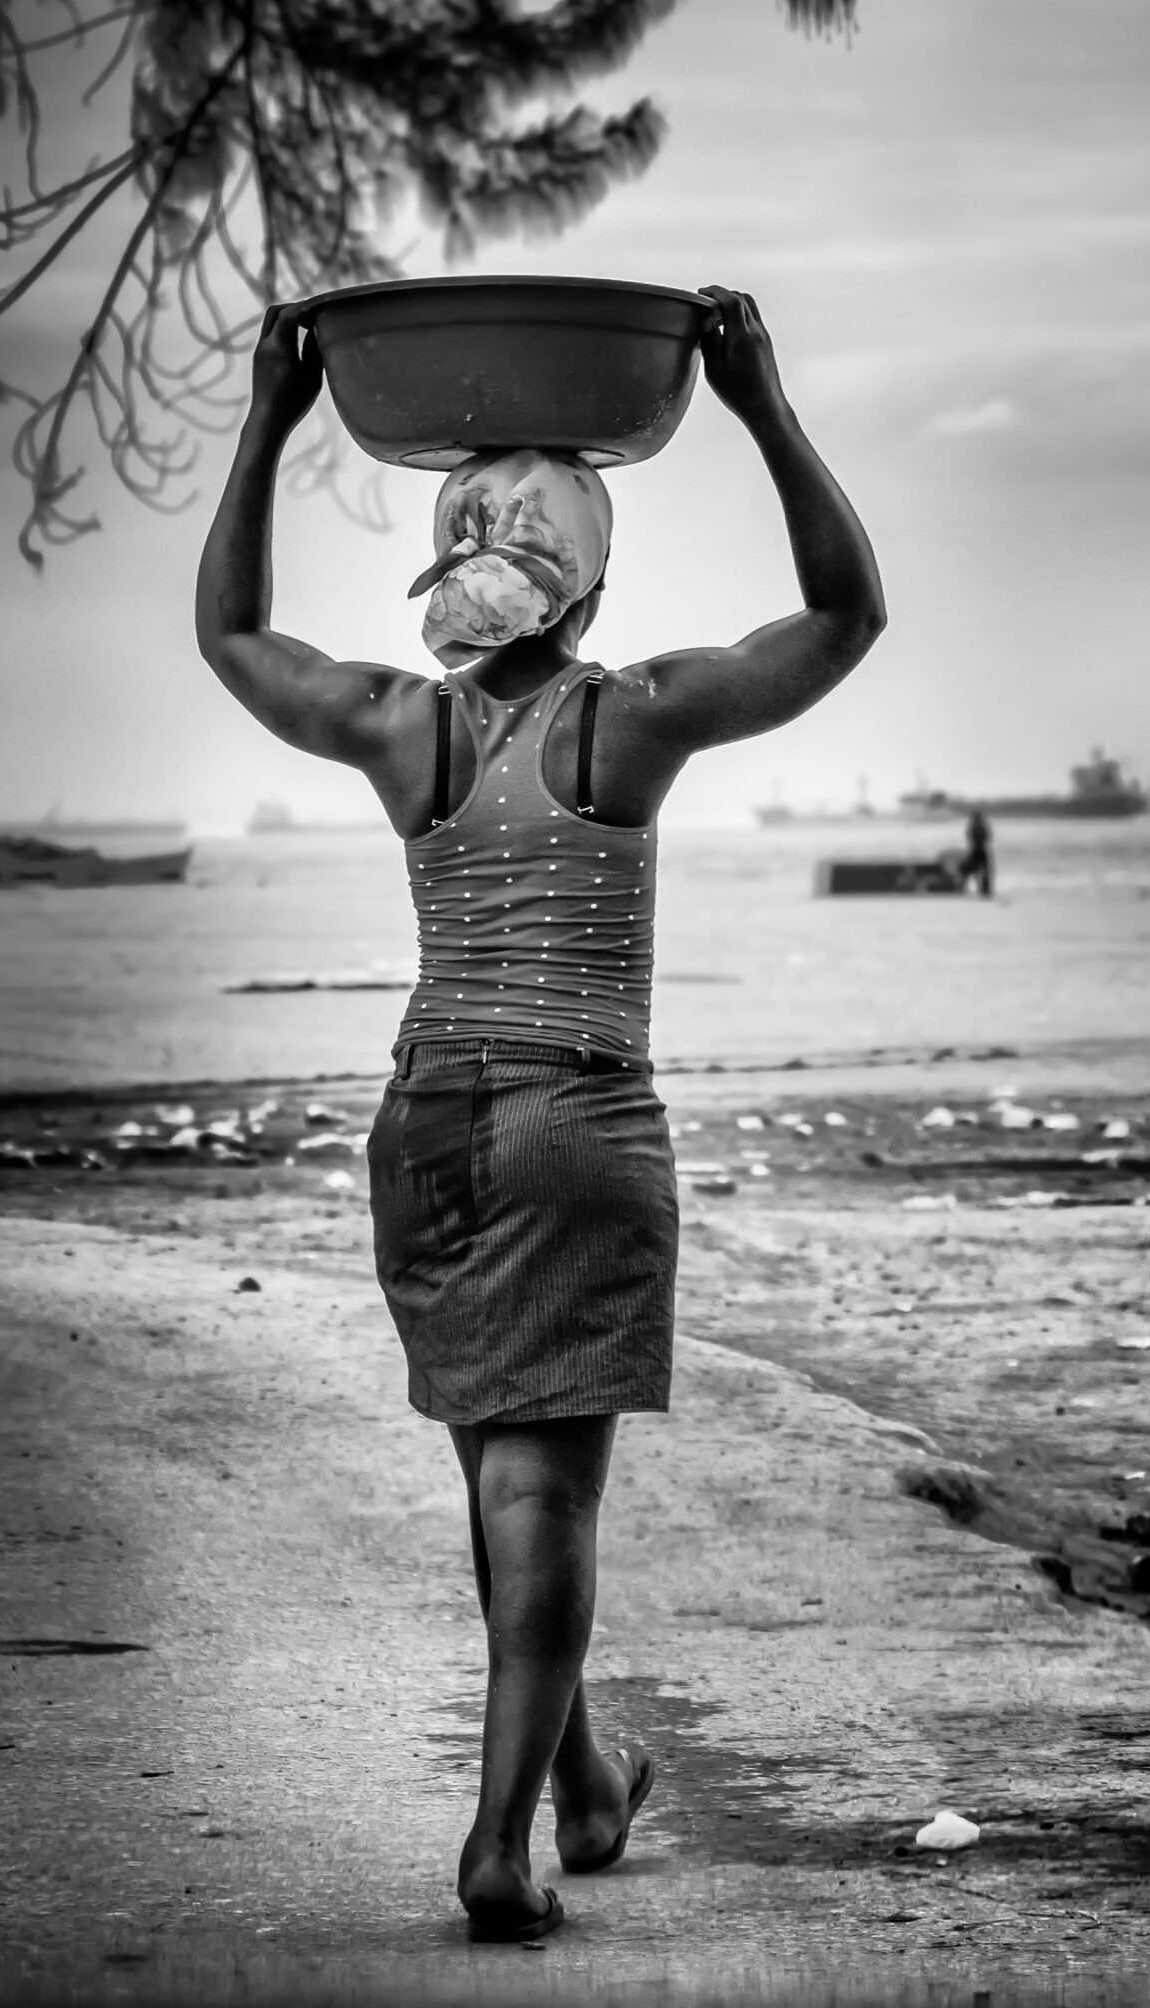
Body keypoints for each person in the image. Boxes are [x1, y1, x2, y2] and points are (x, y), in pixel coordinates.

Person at [195, 286, 885, 1943]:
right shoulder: (624, 718)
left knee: (494, 1459)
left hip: (426, 1124)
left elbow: (229, 635)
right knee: (547, 1492)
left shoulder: (393, 726)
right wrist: (760, 403)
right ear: (591, 578)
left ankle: (583, 1783)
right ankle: (499, 1845)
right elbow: (844, 615)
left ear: (444, 575)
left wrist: (272, 417)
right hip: (575, 1124)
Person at [958, 805, 994, 898]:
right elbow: (988, 837)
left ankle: (981, 889)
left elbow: (970, 837)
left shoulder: (974, 826)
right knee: (982, 871)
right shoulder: (982, 826)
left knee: (969, 870)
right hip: (981, 850)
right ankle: (985, 890)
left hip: (976, 850)